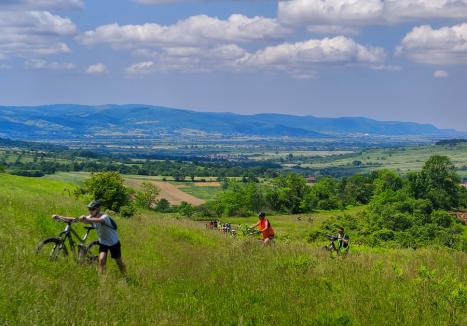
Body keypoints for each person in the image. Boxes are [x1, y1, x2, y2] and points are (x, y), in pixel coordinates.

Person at [53, 200, 127, 277]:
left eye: (92, 209)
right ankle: (103, 280)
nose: (90, 211)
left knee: (118, 261)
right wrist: (60, 217)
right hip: (103, 242)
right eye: (89, 209)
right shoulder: (90, 217)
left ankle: (125, 276)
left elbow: (98, 220)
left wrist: (86, 219)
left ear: (98, 209)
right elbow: (75, 219)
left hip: (113, 243)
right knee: (101, 260)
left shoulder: (105, 217)